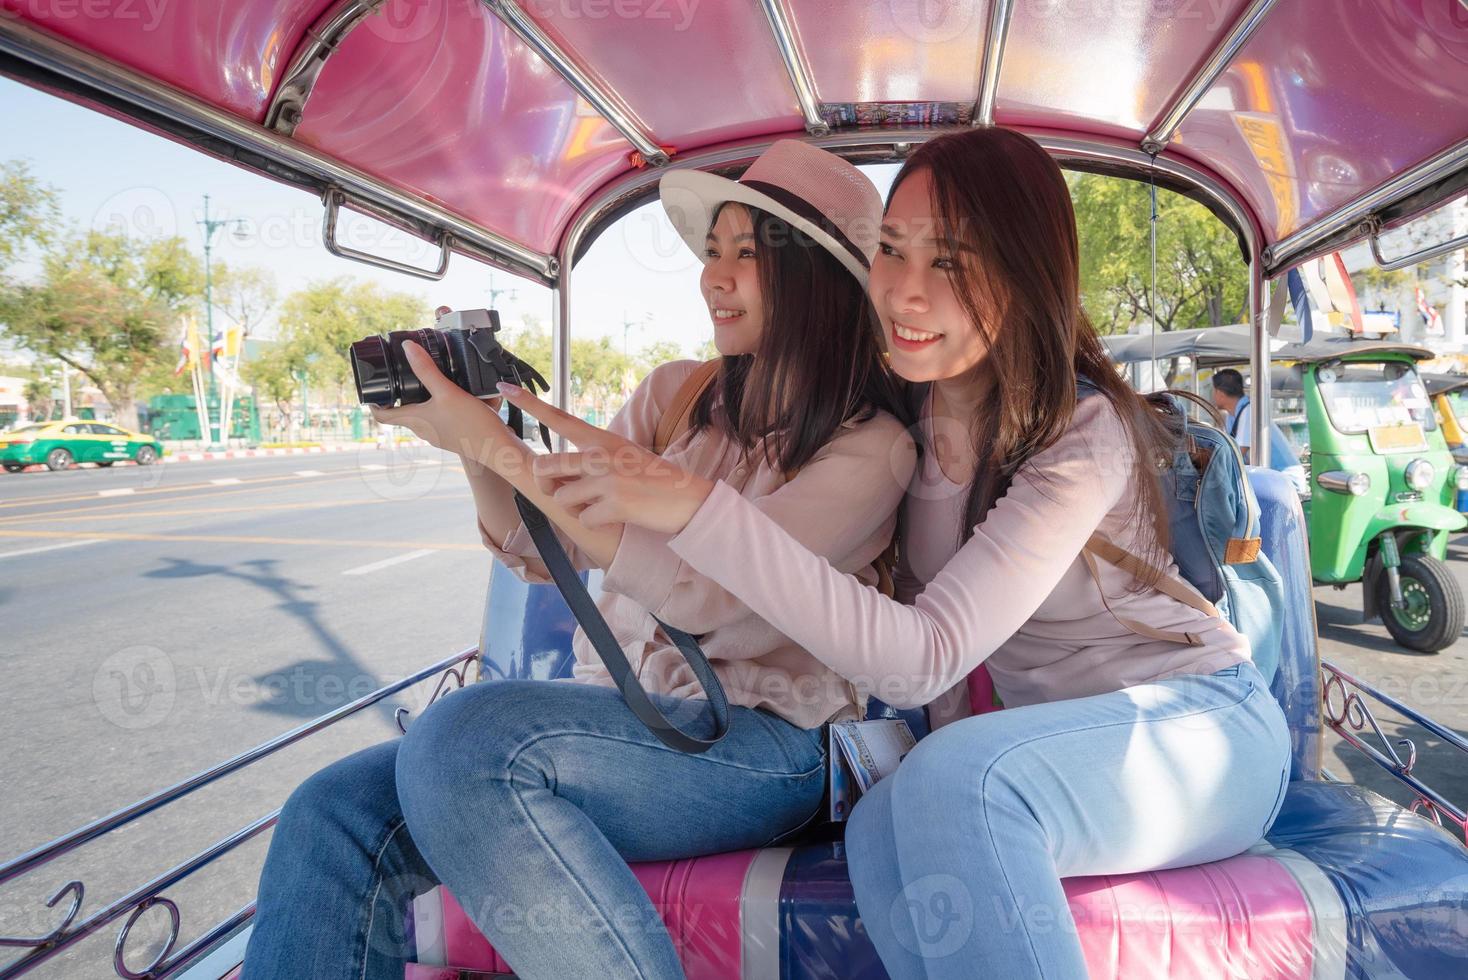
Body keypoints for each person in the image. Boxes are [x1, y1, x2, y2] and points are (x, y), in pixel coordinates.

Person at [503, 127, 1293, 979]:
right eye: (891, 252)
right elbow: (939, 682)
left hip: (1198, 728)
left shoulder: (1082, 434)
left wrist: (698, 507)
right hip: (1038, 745)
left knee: (956, 784)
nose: (906, 293)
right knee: (886, 820)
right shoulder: (904, 430)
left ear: (1028, 279)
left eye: (950, 263)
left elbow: (924, 657)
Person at [241, 141, 915, 980]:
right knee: (331, 809)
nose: (716, 276)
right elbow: (539, 545)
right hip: (620, 722)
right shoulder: (678, 395)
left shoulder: (872, 448)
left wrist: (491, 442)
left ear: (819, 279)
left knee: (465, 740)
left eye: (749, 255)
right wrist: (475, 441)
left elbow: (708, 595)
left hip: (769, 747)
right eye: (713, 253)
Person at [1211, 367, 1308, 493]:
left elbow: (1236, 454)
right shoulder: (1232, 415)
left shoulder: (1250, 411)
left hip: (1286, 482)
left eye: (1213, 392)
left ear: (1220, 393)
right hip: (1271, 480)